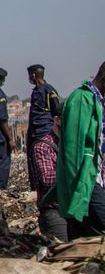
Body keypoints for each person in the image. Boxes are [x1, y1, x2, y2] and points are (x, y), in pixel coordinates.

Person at [52, 61, 105, 238]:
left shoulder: (97, 101)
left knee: (84, 239)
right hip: (85, 180)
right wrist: (78, 193)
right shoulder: (82, 99)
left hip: (93, 179)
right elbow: (73, 151)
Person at [31, 115, 68, 242]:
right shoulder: (43, 147)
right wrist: (74, 174)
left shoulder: (73, 144)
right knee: (64, 248)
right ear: (57, 120)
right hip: (54, 210)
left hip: (73, 207)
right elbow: (48, 179)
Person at [26, 64, 62, 189]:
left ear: (34, 75)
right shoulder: (35, 91)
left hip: (44, 130)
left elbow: (57, 110)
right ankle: (35, 186)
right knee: (33, 160)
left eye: (30, 75)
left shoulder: (49, 90)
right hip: (34, 131)